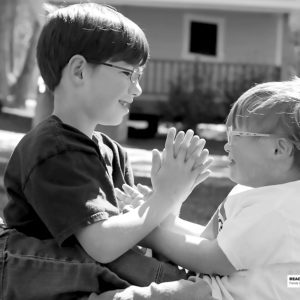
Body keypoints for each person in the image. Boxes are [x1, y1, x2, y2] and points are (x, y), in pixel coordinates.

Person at [0, 3, 213, 299]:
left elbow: (130, 236)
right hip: (36, 272)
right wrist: (166, 196)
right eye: (128, 73)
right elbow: (101, 243)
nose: (137, 88)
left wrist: (170, 198)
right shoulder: (53, 147)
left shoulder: (112, 151)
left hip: (92, 268)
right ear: (79, 71)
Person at [97, 77, 300, 300]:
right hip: (210, 286)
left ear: (279, 150)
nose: (226, 144)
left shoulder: (278, 210)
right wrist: (158, 215)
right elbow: (209, 239)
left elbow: (211, 259)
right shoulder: (253, 191)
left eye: (236, 136)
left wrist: (147, 232)